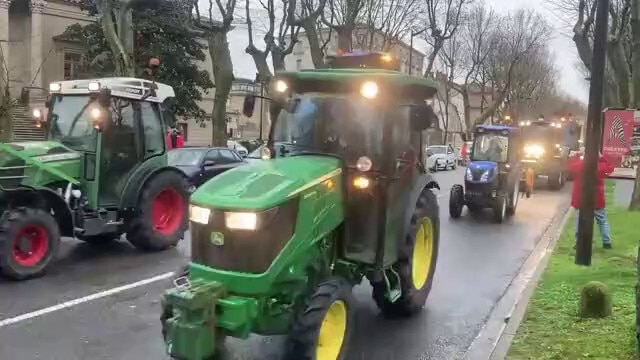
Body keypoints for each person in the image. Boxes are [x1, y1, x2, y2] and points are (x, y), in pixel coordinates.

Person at [569, 152, 615, 249]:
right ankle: (607, 242)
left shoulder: (580, 165)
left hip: (581, 199)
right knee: (602, 220)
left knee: (580, 221)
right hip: (596, 199)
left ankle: (579, 242)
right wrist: (601, 157)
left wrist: (577, 155)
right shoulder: (599, 166)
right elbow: (610, 168)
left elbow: (570, 167)